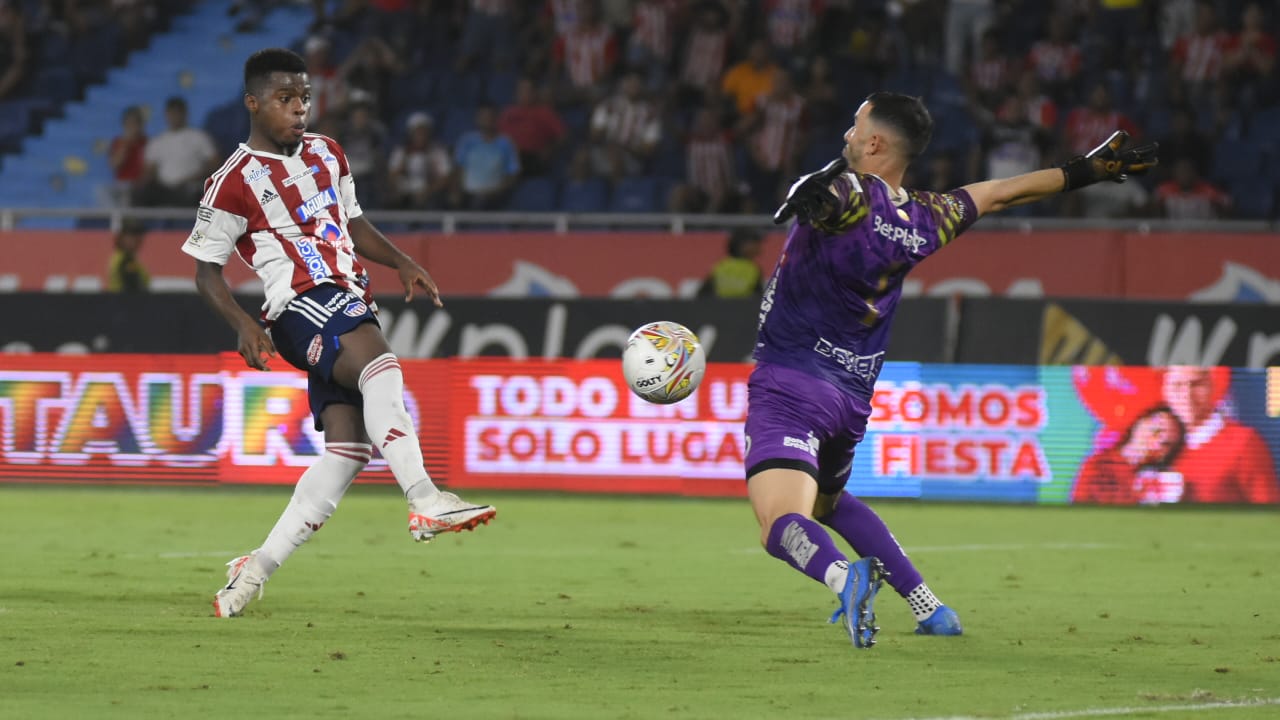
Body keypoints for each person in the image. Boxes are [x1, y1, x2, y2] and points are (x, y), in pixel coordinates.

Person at [751, 92, 1157, 648]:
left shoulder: (850, 192)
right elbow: (1001, 192)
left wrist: (815, 195)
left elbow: (841, 197)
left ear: (874, 143)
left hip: (792, 379)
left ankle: (844, 578)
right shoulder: (926, 216)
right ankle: (930, 607)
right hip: (851, 399)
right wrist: (1085, 170)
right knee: (827, 503)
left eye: (854, 124)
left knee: (779, 522)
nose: (846, 134)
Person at [183, 48, 497, 619]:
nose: (298, 108)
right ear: (253, 102)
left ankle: (252, 572)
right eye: (284, 98)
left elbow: (351, 222)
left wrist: (400, 260)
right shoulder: (230, 183)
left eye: (304, 96)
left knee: (347, 451)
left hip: (349, 297)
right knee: (383, 368)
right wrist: (244, 323)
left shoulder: (328, 152)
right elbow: (206, 270)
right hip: (301, 304)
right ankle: (425, 498)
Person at [1159, 366, 1279, 504]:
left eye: (1196, 384)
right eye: (1177, 385)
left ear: (1212, 387)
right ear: (1164, 391)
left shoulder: (1243, 442)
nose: (1187, 395)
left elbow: (1268, 511)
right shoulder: (1155, 443)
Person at [1071, 405, 1186, 505]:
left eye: (1166, 443)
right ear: (1139, 422)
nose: (1156, 438)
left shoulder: (1158, 487)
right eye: (1156, 426)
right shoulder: (1098, 464)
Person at [138, 96, 219, 207]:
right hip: (163, 189)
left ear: (185, 114)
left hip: (190, 188)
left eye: (178, 113)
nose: (175, 117)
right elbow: (149, 170)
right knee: (142, 194)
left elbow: (215, 162)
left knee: (194, 193)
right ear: (166, 114)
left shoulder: (198, 137)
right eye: (172, 113)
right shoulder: (158, 141)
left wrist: (195, 177)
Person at [697, 229, 763, 299]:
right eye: (755, 243)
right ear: (742, 245)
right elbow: (759, 299)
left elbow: (701, 296)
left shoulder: (720, 266)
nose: (759, 247)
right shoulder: (753, 269)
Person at [106, 218, 150, 293]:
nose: (137, 239)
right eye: (132, 236)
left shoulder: (129, 258)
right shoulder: (125, 260)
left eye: (138, 235)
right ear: (122, 237)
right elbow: (133, 288)